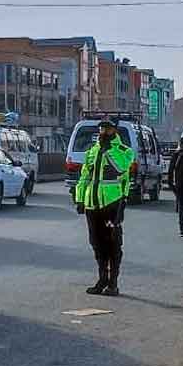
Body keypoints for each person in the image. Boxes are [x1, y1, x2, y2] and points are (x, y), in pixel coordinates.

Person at [75, 119, 135, 296]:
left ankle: (113, 283)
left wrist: (107, 150)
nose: (103, 132)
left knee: (113, 243)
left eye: (107, 129)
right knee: (96, 243)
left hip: (112, 204)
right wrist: (80, 198)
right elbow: (85, 176)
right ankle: (101, 279)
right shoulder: (92, 151)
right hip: (92, 205)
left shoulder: (124, 151)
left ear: (114, 131)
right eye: (101, 129)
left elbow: (120, 169)